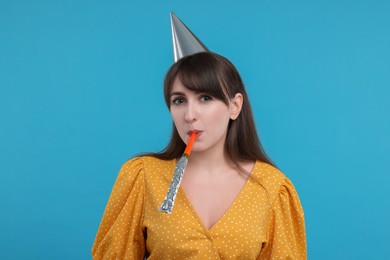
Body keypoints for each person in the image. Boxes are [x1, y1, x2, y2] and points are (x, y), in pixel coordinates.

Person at [92, 52, 307, 259]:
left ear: (235, 106)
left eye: (205, 98)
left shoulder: (272, 188)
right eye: (179, 100)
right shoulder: (143, 177)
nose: (189, 115)